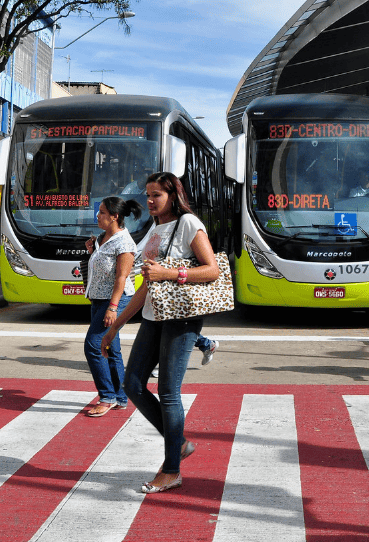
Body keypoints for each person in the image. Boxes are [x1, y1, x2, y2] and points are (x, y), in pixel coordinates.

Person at [101, 171, 221, 494]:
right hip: (155, 315)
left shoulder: (189, 225)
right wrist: (116, 328)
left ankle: (171, 470)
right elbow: (145, 288)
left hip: (182, 318)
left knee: (169, 391)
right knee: (132, 383)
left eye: (157, 195)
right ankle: (178, 442)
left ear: (173, 195)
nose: (150, 201)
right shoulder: (155, 229)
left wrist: (170, 271)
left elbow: (213, 269)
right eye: (148, 195)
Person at [83, 197, 143, 418]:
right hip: (99, 299)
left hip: (113, 300)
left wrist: (113, 308)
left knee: (94, 345)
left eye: (101, 212)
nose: (97, 216)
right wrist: (92, 250)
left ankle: (106, 396)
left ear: (114, 216)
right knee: (111, 349)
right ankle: (119, 396)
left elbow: (121, 278)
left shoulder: (124, 243)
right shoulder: (103, 237)